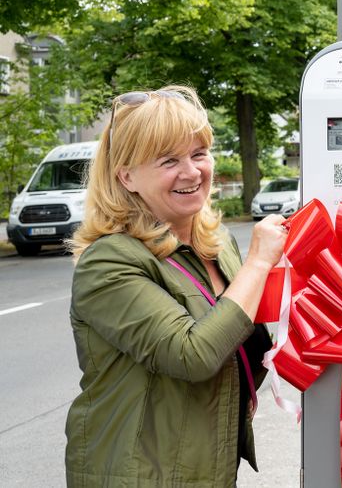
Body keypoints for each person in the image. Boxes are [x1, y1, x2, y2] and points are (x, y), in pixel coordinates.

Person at [65, 86, 287, 486]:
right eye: (169, 160)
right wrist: (259, 263)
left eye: (198, 154)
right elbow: (193, 355)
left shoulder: (219, 245)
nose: (191, 172)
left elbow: (245, 345)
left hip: (209, 469)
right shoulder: (109, 262)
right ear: (127, 176)